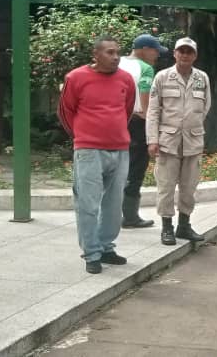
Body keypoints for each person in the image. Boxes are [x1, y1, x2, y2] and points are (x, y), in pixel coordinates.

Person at [57, 35, 136, 274]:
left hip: (120, 149)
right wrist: (83, 136)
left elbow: (127, 110)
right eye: (110, 52)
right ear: (96, 55)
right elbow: (65, 112)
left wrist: (114, 132)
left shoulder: (126, 79)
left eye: (117, 52)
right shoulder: (75, 78)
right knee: (88, 204)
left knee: (114, 204)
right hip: (88, 150)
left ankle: (106, 247)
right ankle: (92, 253)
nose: (116, 57)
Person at [146, 37, 212, 246]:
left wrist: (192, 126)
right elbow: (153, 111)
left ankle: (184, 225)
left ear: (195, 55)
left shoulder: (202, 78)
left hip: (193, 141)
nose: (185, 55)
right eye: (181, 51)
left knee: (189, 187)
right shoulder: (162, 77)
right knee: (165, 186)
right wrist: (152, 140)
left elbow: (205, 107)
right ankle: (167, 227)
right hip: (168, 141)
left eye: (189, 52)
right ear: (175, 54)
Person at [118, 34, 167, 229]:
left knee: (116, 167)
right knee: (136, 168)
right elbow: (145, 94)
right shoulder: (145, 68)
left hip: (115, 121)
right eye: (155, 51)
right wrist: (150, 121)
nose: (157, 55)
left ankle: (111, 214)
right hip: (137, 122)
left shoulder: (117, 62)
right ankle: (130, 217)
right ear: (144, 49)